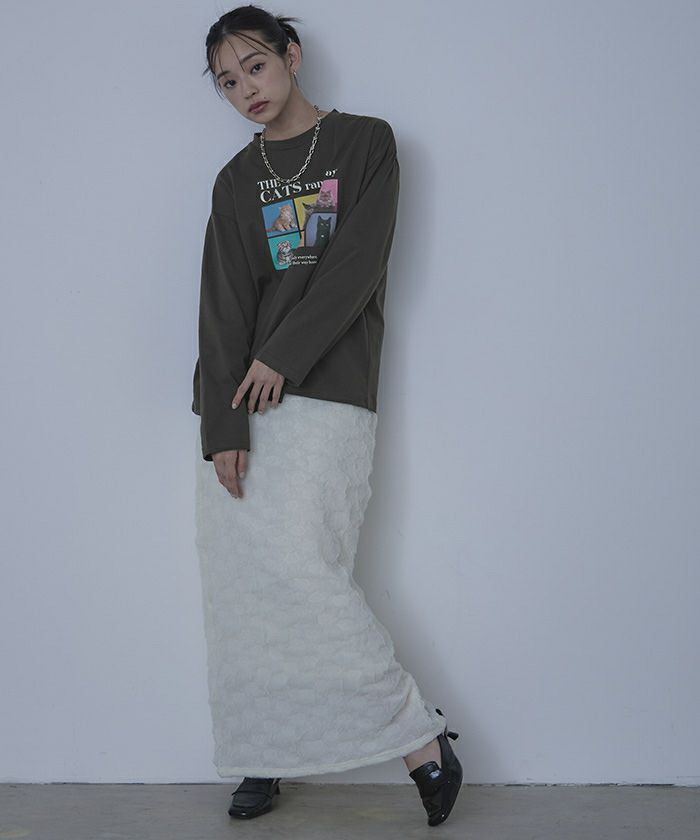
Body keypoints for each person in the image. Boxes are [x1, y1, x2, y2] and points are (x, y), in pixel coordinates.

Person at [191, 4, 463, 827]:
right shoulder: (235, 181)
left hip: (328, 391)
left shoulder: (365, 143)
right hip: (243, 403)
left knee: (306, 574)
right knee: (242, 588)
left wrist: (283, 356)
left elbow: (357, 265)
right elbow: (222, 307)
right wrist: (221, 427)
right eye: (227, 82)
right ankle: (263, 750)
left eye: (256, 66)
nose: (246, 89)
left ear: (292, 55)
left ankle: (418, 737)